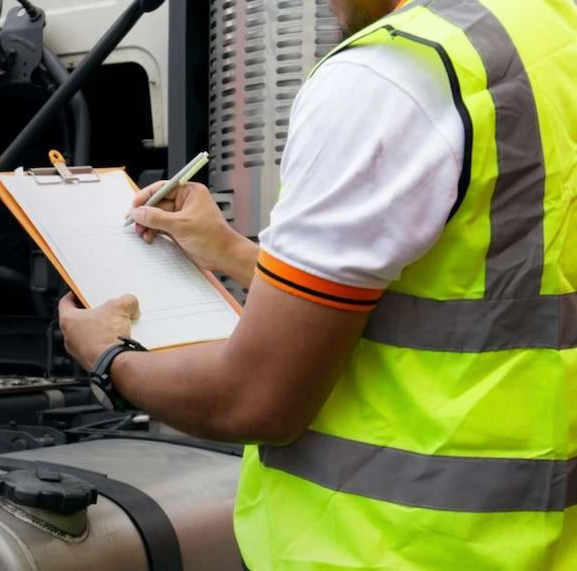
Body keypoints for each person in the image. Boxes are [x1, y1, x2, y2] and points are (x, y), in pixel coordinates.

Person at [58, 0, 577, 568]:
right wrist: (232, 251)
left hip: (393, 547)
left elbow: (255, 399)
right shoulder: (550, 34)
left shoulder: (394, 72)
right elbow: (482, 298)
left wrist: (107, 355)